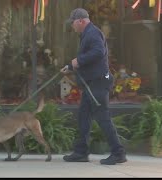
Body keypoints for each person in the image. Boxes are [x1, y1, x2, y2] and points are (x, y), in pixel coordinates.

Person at [60, 8, 127, 165]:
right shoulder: (87, 33)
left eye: (73, 23)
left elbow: (98, 52)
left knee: (102, 117)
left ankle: (118, 153)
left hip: (98, 83)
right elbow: (88, 58)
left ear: (81, 21)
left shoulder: (92, 33)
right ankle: (81, 152)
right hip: (91, 84)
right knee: (84, 116)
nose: (72, 26)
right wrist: (70, 66)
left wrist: (78, 61)